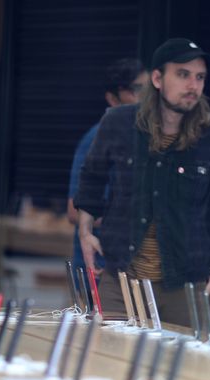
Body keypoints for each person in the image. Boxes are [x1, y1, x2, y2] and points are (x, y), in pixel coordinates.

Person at [75, 38, 210, 326]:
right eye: (183, 75)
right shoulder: (118, 122)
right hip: (121, 279)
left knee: (184, 366)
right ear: (157, 78)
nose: (193, 85)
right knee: (108, 362)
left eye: (200, 77)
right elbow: (92, 175)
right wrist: (85, 230)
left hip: (185, 284)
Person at [66, 58, 147, 280]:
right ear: (112, 99)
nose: (147, 96)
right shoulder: (96, 138)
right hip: (100, 266)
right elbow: (74, 210)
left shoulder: (148, 139)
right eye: (138, 89)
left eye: (151, 88)